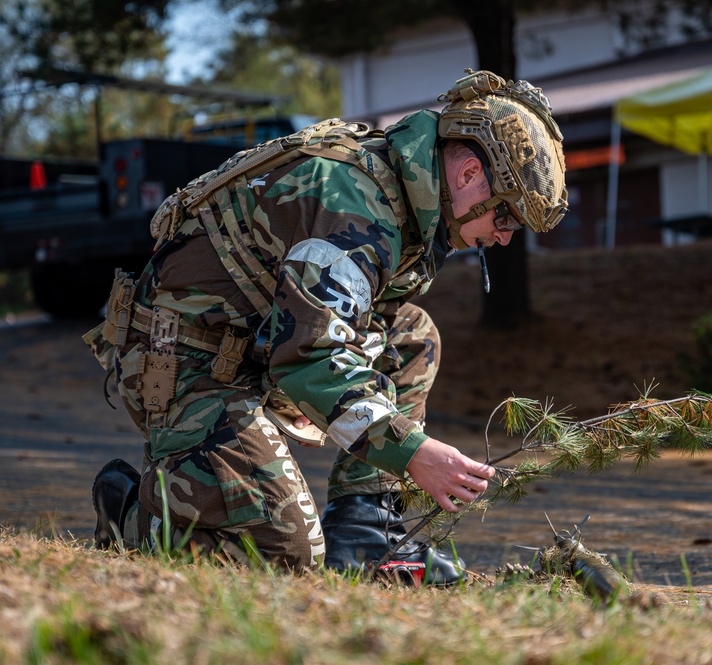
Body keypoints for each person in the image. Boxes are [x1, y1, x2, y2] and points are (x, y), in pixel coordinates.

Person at [84, 69, 568, 584]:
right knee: (287, 557)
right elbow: (312, 356)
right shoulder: (355, 206)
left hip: (254, 347)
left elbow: (354, 328)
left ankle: (363, 527)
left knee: (410, 335)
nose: (505, 237)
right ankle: (134, 515)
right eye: (507, 219)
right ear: (470, 174)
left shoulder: (407, 203)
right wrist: (413, 452)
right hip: (184, 363)